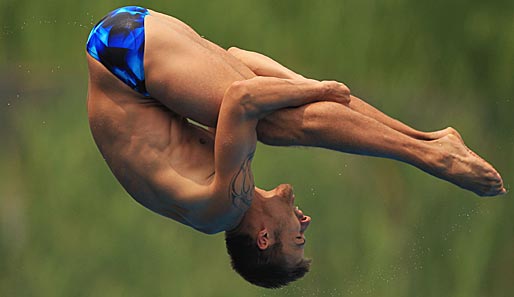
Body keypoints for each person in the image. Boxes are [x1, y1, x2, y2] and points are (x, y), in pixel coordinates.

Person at [85, 6, 505, 288]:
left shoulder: (226, 205)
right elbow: (240, 59)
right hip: (124, 46)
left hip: (126, 57)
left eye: (298, 238)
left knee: (272, 122)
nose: (305, 223)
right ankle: (430, 142)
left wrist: (311, 88)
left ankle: (430, 154)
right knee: (273, 115)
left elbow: (240, 99)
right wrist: (303, 86)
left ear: (264, 238)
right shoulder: (213, 198)